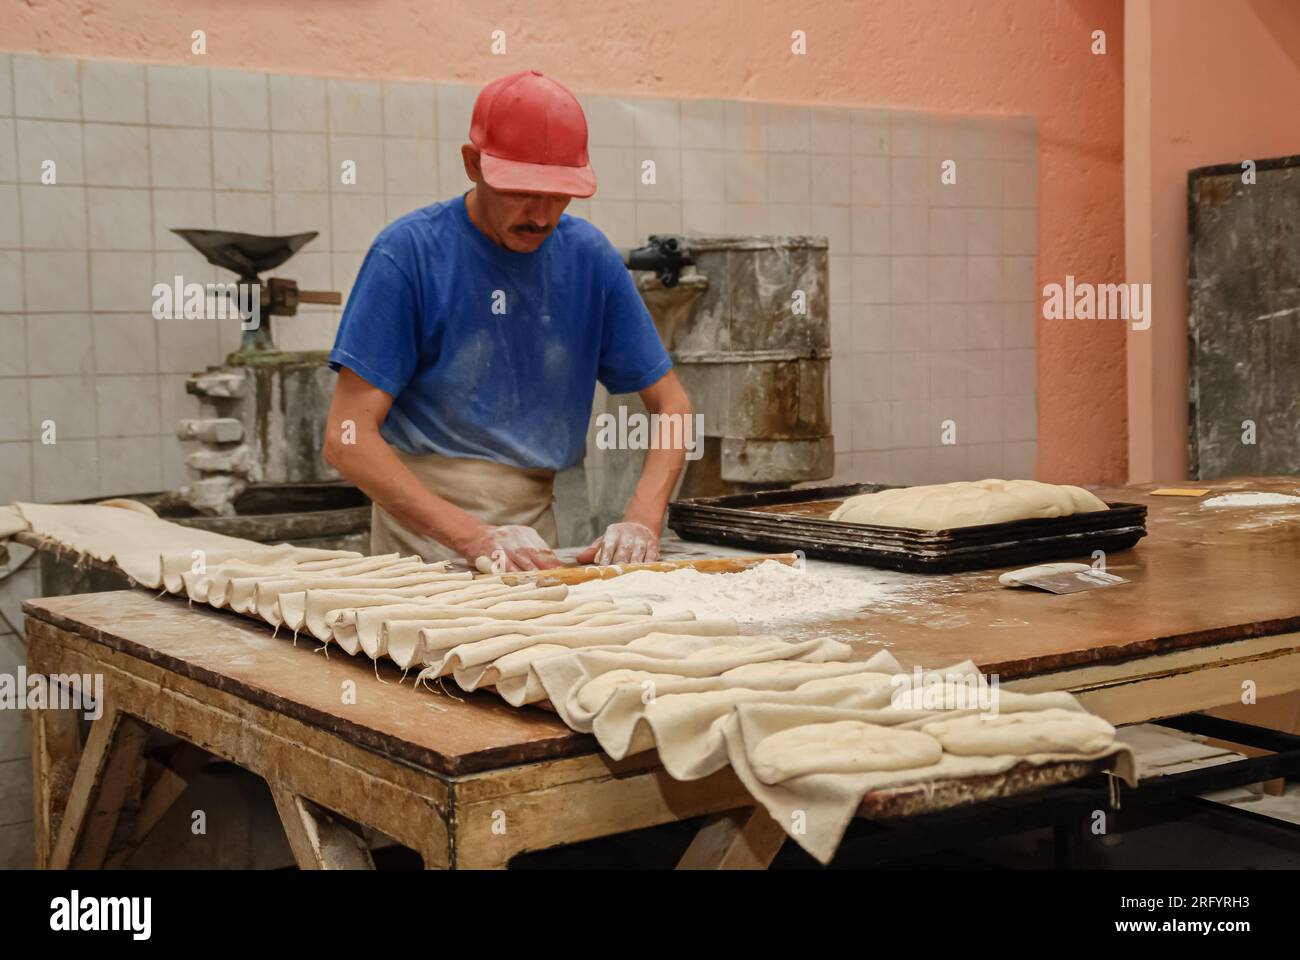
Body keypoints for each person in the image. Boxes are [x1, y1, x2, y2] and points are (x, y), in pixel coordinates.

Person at [324, 69, 691, 572]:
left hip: (536, 538)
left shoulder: (589, 260)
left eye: (558, 195)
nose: (541, 215)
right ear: (473, 164)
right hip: (420, 546)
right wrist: (472, 536)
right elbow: (348, 439)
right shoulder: (409, 254)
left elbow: (672, 405)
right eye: (522, 190)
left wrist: (643, 522)